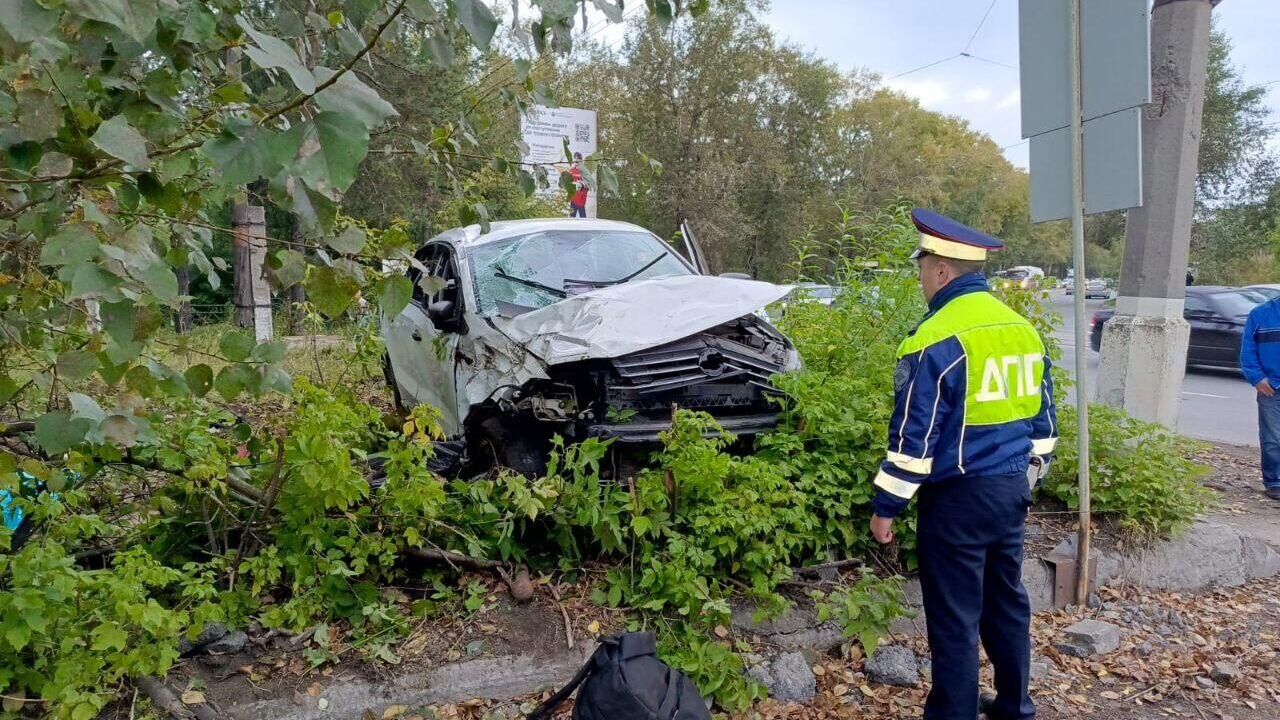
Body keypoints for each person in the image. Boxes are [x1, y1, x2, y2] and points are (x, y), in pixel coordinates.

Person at [869, 208, 1057, 720]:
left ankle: (953, 713)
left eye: (923, 267)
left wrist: (886, 507)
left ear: (942, 271)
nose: (921, 278)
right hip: (1010, 490)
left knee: (954, 617)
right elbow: (1044, 427)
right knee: (1006, 602)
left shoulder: (933, 339)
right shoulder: (1024, 331)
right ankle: (1016, 706)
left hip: (956, 500)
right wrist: (1026, 480)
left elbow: (913, 439)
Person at [1240, 296, 1280, 501]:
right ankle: (1274, 482)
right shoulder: (1261, 314)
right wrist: (1257, 378)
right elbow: (1247, 350)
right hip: (1272, 388)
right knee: (1273, 438)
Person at [568, 152, 588, 218]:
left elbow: (587, 186)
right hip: (573, 199)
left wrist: (581, 184)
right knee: (571, 219)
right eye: (575, 159)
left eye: (578, 159)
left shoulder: (584, 171)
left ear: (581, 160)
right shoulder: (571, 171)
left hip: (581, 200)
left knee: (583, 220)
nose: (576, 161)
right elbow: (568, 184)